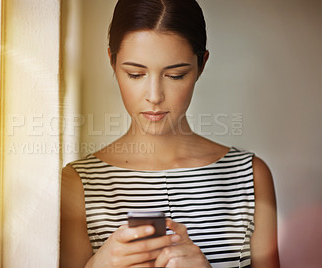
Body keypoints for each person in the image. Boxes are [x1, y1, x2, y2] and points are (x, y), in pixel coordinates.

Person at [60, 0, 279, 267]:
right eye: (135, 73)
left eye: (175, 75)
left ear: (201, 65)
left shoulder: (250, 177)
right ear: (112, 62)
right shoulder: (76, 185)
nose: (154, 96)